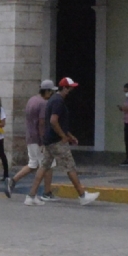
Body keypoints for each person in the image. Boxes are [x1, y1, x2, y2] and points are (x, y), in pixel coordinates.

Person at [37, 77, 99, 206]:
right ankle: (82, 194)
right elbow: (54, 121)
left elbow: (60, 123)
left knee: (44, 166)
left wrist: (69, 135)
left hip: (50, 140)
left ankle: (32, 194)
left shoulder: (55, 100)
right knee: (70, 166)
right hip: (56, 141)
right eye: (70, 88)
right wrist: (63, 136)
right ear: (64, 88)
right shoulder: (58, 101)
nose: (72, 90)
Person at [10, 80, 55, 204]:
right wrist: (43, 141)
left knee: (33, 164)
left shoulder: (32, 100)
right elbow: (41, 123)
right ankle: (47, 192)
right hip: (38, 139)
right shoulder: (43, 103)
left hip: (30, 137)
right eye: (51, 91)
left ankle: (13, 180)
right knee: (48, 165)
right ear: (47, 91)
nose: (52, 94)